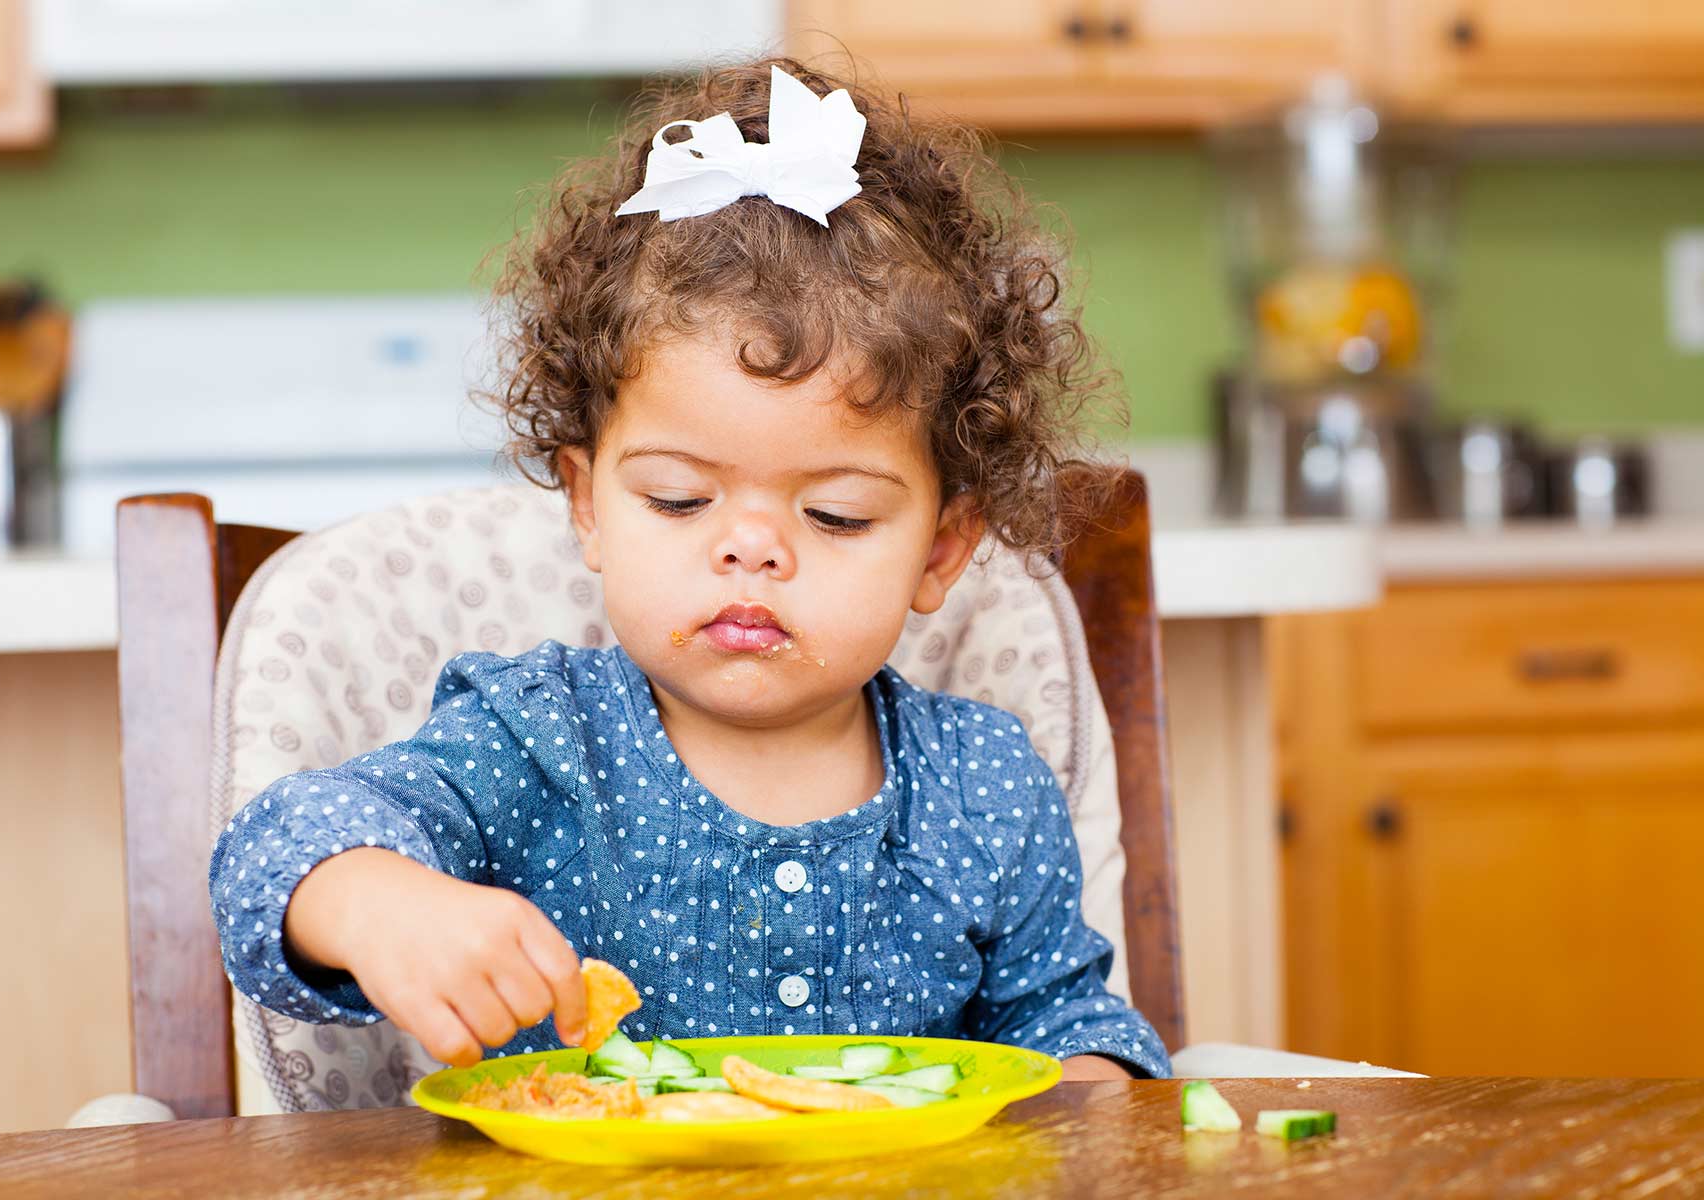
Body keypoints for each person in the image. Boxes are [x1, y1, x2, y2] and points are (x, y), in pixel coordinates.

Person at [210, 57, 1169, 1082]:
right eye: (678, 499)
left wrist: (1088, 1090)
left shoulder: (982, 786)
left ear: (941, 549)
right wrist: (373, 898)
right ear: (589, 505)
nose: (750, 548)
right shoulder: (536, 745)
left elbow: (1065, 1024)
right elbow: (274, 852)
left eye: (836, 515)